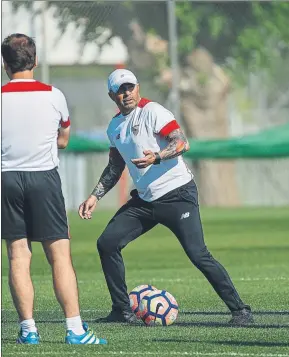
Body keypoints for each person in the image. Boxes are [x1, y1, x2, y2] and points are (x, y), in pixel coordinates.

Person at [78, 68, 253, 325]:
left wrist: (157, 156)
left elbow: (182, 143)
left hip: (177, 195)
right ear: (111, 95)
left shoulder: (153, 111)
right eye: (120, 90)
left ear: (138, 88)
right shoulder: (115, 126)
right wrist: (95, 196)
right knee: (107, 243)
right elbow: (115, 166)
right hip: (145, 201)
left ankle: (241, 311)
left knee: (198, 254)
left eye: (130, 87)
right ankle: (122, 311)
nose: (127, 93)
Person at [1, 34, 106, 344]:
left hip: (6, 178)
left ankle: (28, 330)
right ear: (35, 61)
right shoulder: (53, 95)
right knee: (59, 255)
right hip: (43, 178)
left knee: (18, 256)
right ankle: (74, 330)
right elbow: (63, 138)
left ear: (5, 65)